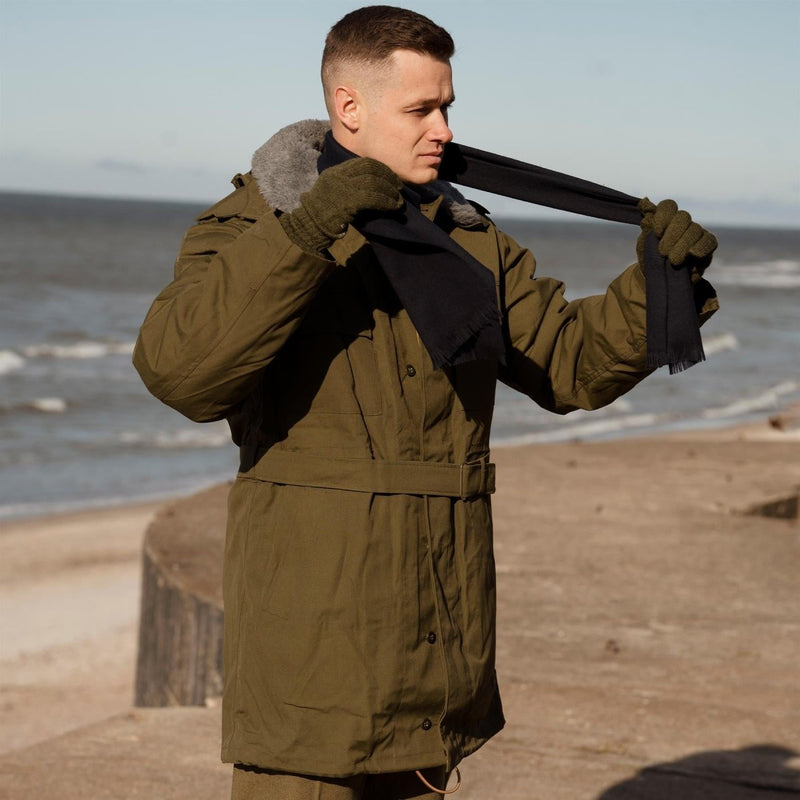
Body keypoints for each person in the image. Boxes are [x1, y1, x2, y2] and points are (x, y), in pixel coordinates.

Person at [133, 6, 718, 798]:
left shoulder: (466, 236)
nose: (443, 129)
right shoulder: (256, 223)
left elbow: (569, 365)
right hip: (311, 650)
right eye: (421, 109)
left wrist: (659, 285)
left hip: (438, 641)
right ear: (349, 107)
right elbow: (179, 372)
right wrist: (309, 234)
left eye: (447, 106)